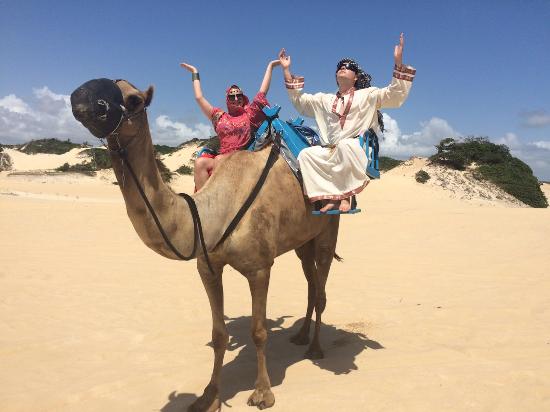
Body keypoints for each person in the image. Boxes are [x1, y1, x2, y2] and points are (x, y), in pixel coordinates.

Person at [278, 33, 416, 212]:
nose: (343, 68)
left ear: (356, 77)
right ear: (336, 76)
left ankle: (347, 197)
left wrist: (398, 63)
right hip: (331, 148)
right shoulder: (324, 99)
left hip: (357, 147)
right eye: (339, 67)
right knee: (306, 155)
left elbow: (393, 95)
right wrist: (286, 70)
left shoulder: (368, 95)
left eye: (348, 67)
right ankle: (331, 198)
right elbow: (301, 101)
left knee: (345, 146)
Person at [180, 59, 280, 191]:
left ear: (242, 97)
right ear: (227, 99)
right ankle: (203, 202)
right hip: (221, 158)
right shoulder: (219, 116)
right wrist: (195, 73)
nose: (236, 98)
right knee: (200, 163)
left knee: (220, 160)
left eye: (238, 95)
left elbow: (262, 93)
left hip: (243, 157)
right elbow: (199, 98)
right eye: (232, 96)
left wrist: (270, 67)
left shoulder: (249, 113)